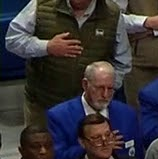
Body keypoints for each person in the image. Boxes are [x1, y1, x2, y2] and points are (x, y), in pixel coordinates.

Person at [5, 0, 131, 129]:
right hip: (43, 102)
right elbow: (13, 40)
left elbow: (123, 60)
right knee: (42, 146)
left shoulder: (112, 13)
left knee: (86, 147)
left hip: (89, 107)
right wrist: (47, 47)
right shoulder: (41, 4)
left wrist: (106, 90)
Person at [46, 62, 141, 159]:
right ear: (85, 84)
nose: (105, 95)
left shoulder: (127, 114)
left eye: (110, 89)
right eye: (100, 88)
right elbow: (58, 158)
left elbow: (137, 157)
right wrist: (91, 147)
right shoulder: (59, 116)